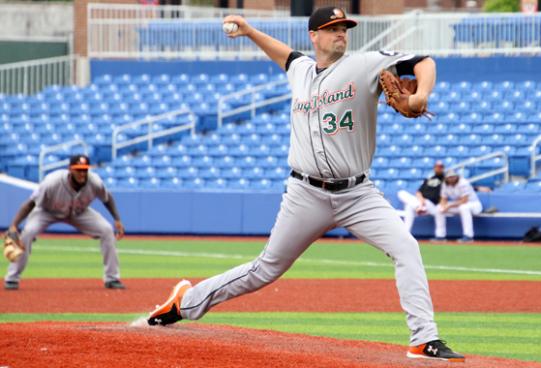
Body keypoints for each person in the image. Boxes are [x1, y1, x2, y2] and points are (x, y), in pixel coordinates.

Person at [147, 7, 464, 362]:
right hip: (305, 193)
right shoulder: (300, 70)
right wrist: (250, 31)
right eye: (332, 28)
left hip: (358, 193)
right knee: (265, 269)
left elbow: (424, 61)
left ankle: (424, 339)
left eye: (344, 27)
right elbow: (286, 55)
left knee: (406, 247)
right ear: (314, 35)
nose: (341, 33)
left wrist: (421, 95)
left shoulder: (366, 64)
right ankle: (185, 302)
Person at [3, 154, 126, 290]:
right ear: (70, 169)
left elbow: (107, 199)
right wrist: (14, 225)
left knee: (107, 230)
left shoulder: (95, 182)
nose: (82, 173)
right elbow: (30, 203)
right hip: (47, 212)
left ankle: (112, 278)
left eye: (85, 169)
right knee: (28, 232)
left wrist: (117, 219)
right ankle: (12, 278)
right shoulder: (52, 182)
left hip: (79, 213)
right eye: (78, 169)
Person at [397, 160, 445, 234]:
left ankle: (419, 207)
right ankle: (406, 234)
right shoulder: (429, 179)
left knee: (409, 206)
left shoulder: (444, 179)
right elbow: (418, 192)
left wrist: (424, 201)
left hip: (431, 205)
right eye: (437, 167)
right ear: (434, 168)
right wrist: (421, 200)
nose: (439, 168)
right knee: (402, 193)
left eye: (441, 167)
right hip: (420, 203)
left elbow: (445, 193)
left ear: (443, 168)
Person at [434, 170, 482, 243]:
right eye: (450, 177)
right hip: (458, 205)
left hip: (474, 204)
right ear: (446, 178)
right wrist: (443, 206)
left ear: (457, 176)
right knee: (439, 208)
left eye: (453, 176)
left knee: (464, 208)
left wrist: (449, 206)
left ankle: (468, 236)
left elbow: (464, 200)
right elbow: (443, 198)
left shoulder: (463, 182)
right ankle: (440, 236)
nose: (452, 178)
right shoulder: (444, 184)